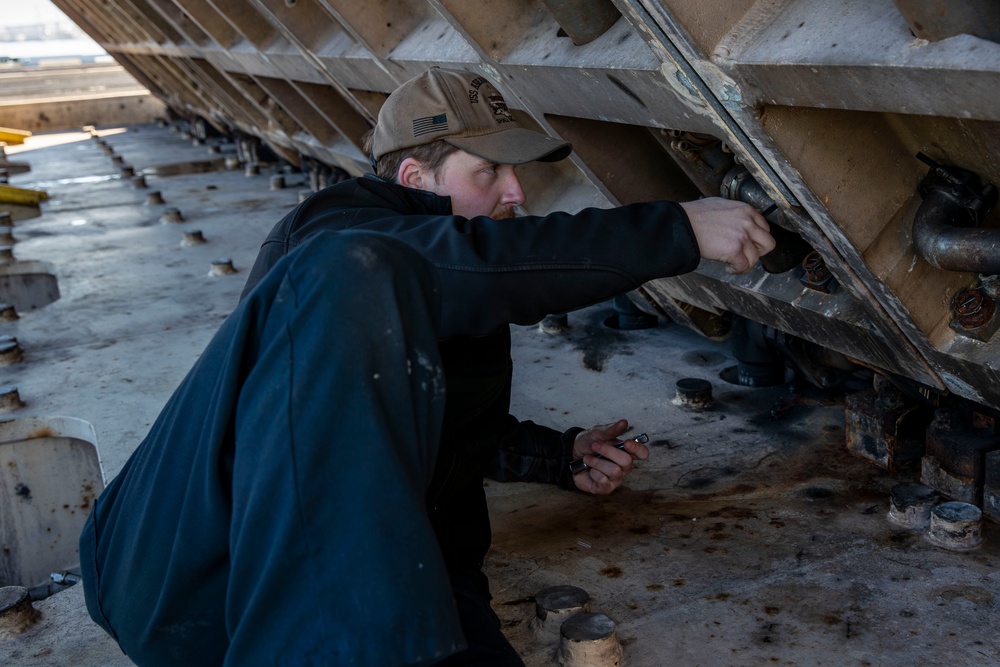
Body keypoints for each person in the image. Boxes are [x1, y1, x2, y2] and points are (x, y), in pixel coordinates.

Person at [79, 68, 774, 666]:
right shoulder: (335, 238)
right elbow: (450, 269)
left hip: (356, 579)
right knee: (351, 273)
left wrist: (559, 455)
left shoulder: (437, 290)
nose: (515, 193)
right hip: (191, 576)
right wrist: (675, 229)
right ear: (415, 178)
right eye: (488, 172)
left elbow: (422, 424)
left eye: (515, 172)